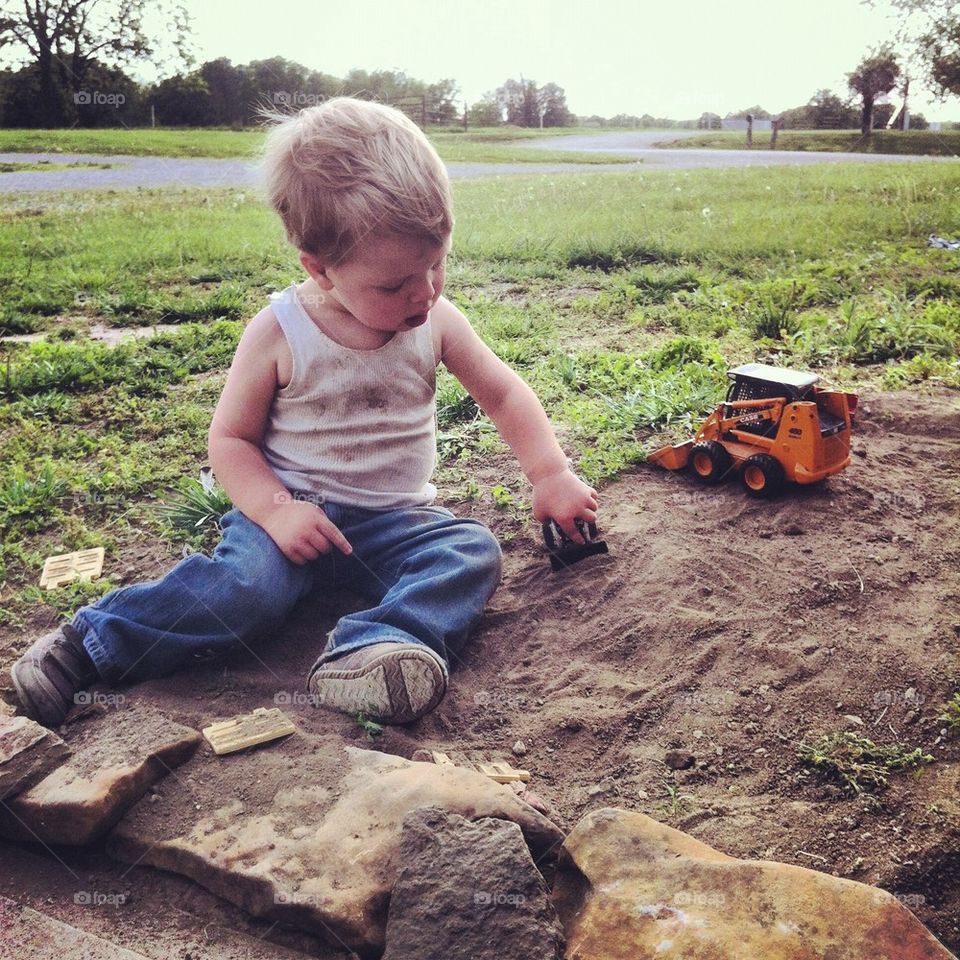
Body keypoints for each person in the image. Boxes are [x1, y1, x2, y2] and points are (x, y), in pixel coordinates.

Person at [11, 98, 599, 728]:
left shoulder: (439, 324)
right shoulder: (279, 333)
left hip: (392, 522)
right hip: (287, 517)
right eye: (395, 283)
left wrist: (548, 473)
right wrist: (275, 510)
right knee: (244, 593)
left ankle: (375, 648)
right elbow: (231, 439)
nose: (424, 292)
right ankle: (90, 645)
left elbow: (504, 395)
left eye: (436, 265)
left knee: (469, 550)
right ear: (320, 270)